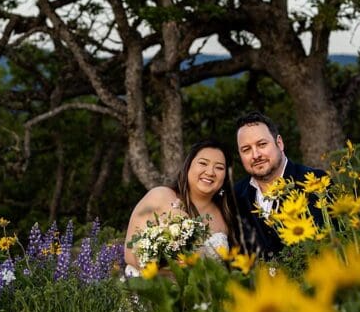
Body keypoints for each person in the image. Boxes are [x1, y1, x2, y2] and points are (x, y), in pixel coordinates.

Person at [124, 139, 245, 275]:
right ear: (188, 166)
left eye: (219, 167)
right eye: (203, 163)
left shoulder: (225, 215)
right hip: (150, 289)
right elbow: (130, 254)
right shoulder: (160, 196)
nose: (210, 172)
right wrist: (177, 276)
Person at [233, 111, 327, 257]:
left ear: (279, 143)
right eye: (246, 150)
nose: (256, 155)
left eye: (262, 144)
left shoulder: (316, 181)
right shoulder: (235, 196)